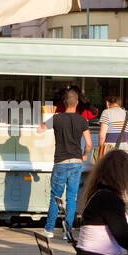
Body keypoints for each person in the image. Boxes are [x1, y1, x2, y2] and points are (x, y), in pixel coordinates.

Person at [39, 88, 90, 237]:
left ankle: (49, 230)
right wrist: (84, 154)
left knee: (56, 197)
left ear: (64, 103)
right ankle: (67, 232)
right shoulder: (82, 120)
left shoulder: (57, 118)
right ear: (77, 103)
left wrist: (49, 117)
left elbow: (39, 130)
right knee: (71, 198)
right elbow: (88, 143)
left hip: (60, 162)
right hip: (76, 162)